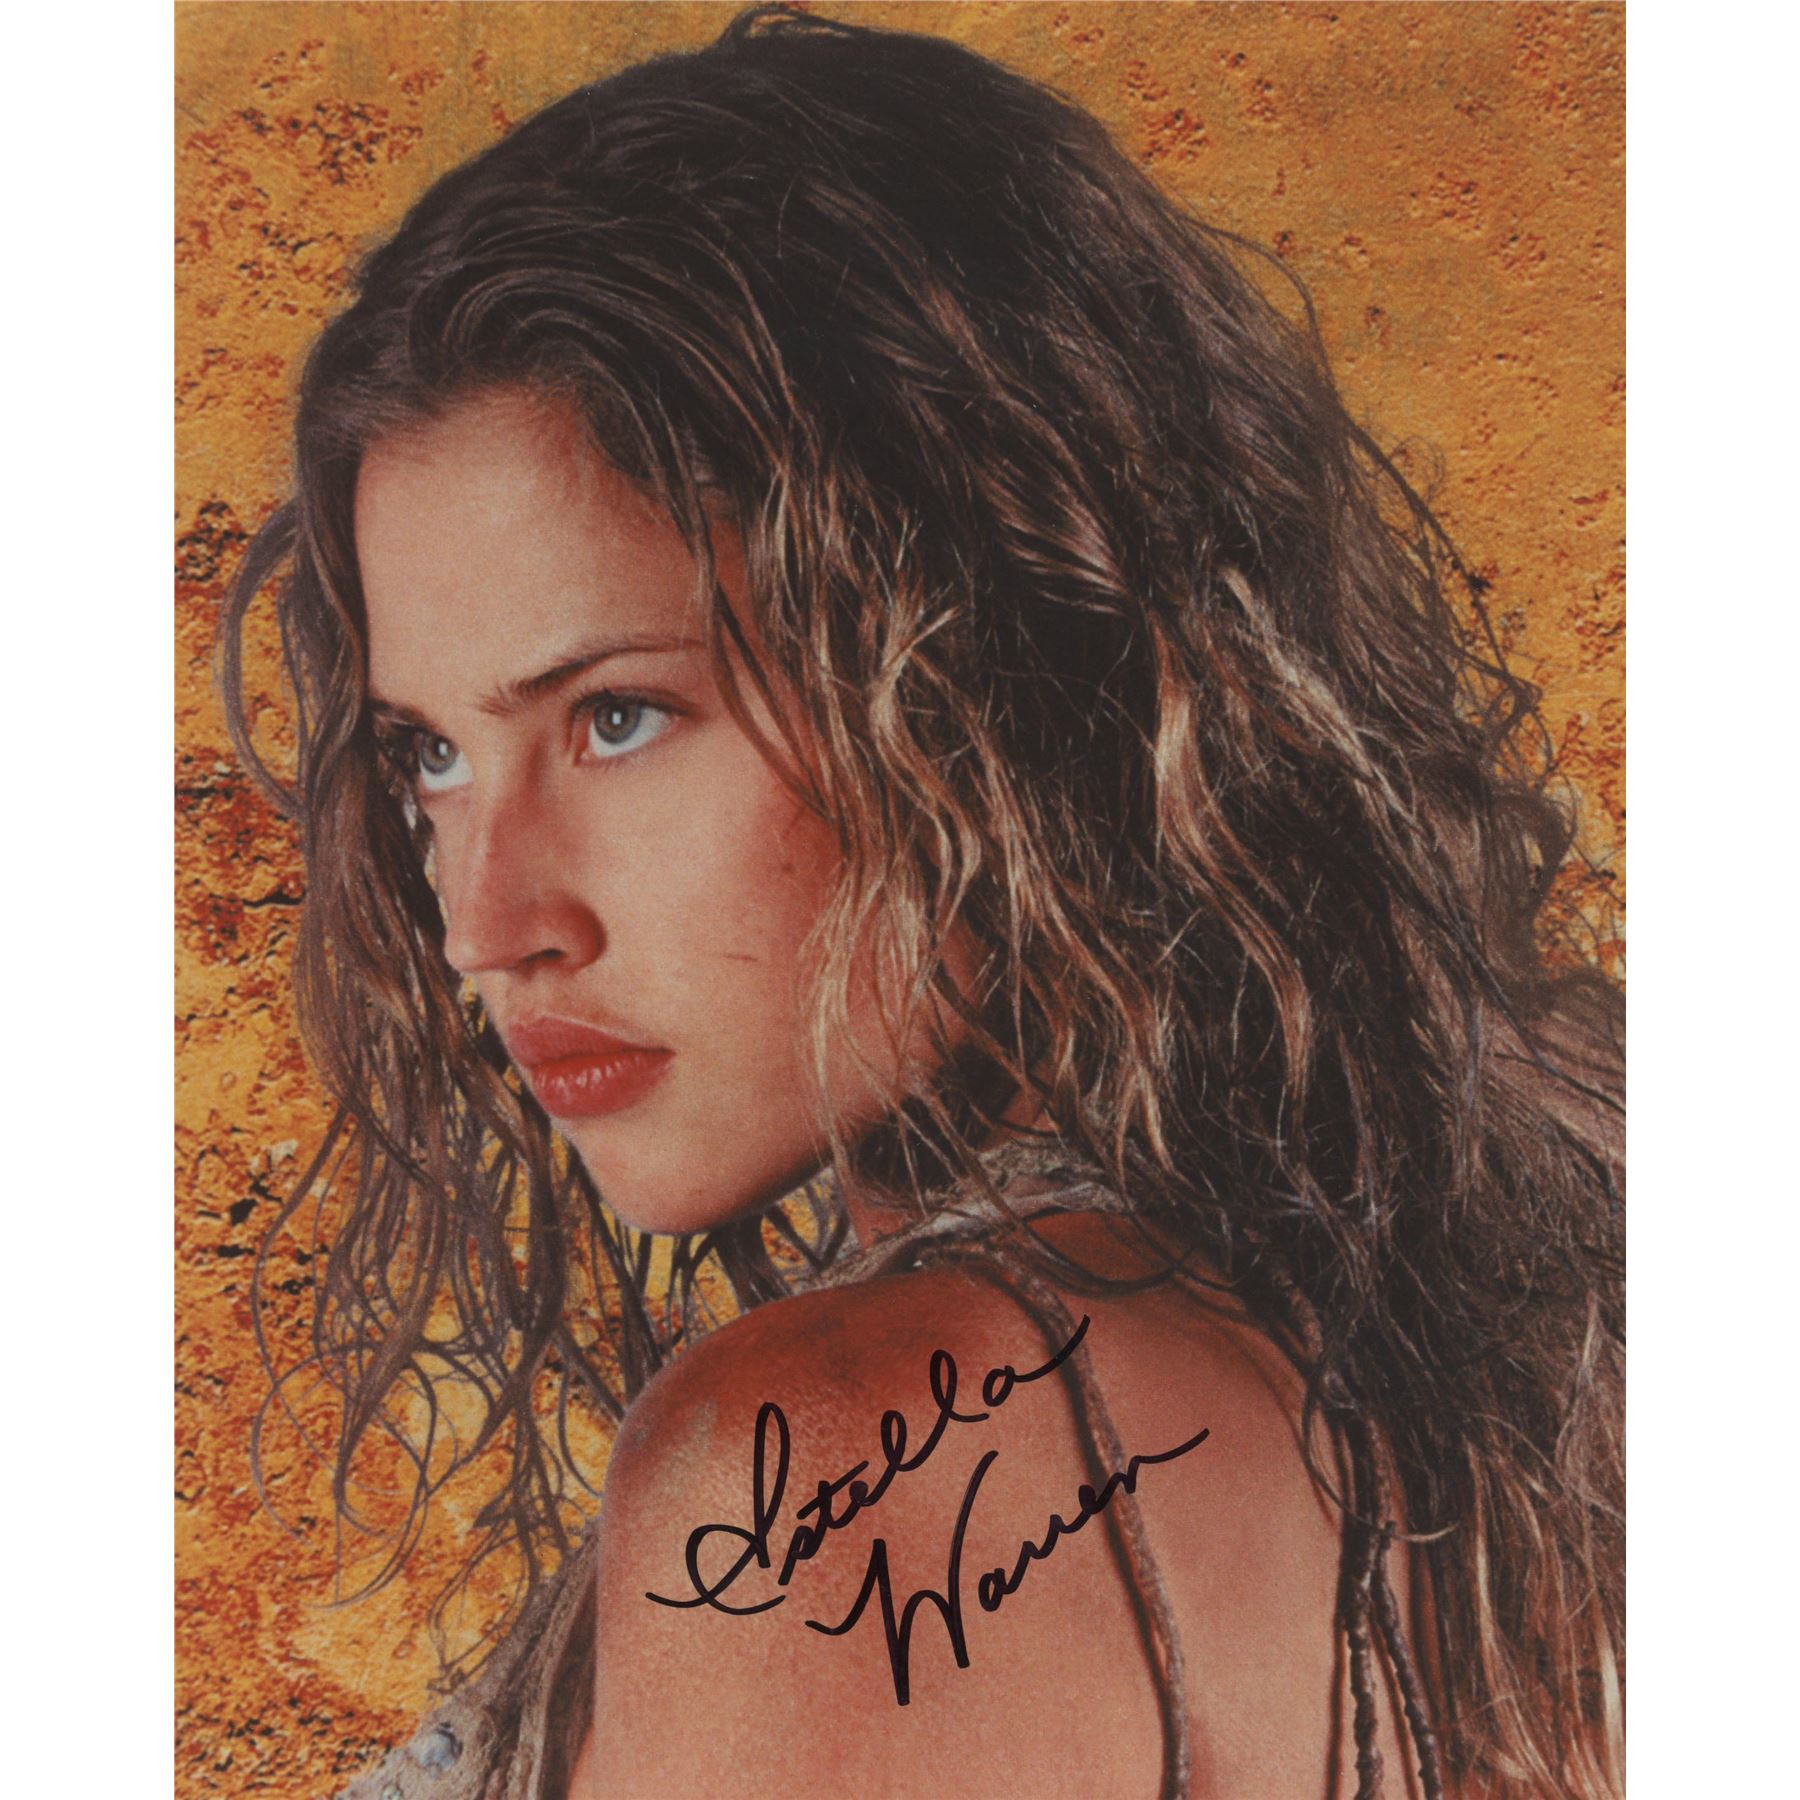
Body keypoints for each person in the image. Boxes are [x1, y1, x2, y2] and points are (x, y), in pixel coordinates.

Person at [219, 7, 1623, 1796]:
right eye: (428, 755)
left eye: (618, 718)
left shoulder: (838, 1469)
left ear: (997, 660)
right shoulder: (1585, 1233)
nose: (490, 923)